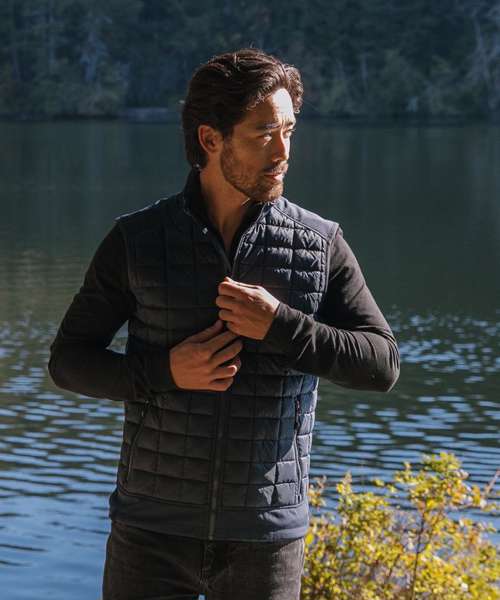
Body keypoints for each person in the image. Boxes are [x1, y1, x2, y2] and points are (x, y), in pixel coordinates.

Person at [48, 48, 400, 600]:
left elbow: (381, 364)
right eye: (264, 133)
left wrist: (282, 325)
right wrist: (165, 371)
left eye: (289, 130)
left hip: (265, 540)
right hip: (151, 532)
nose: (283, 151)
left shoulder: (320, 243)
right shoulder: (138, 240)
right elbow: (68, 362)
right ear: (211, 139)